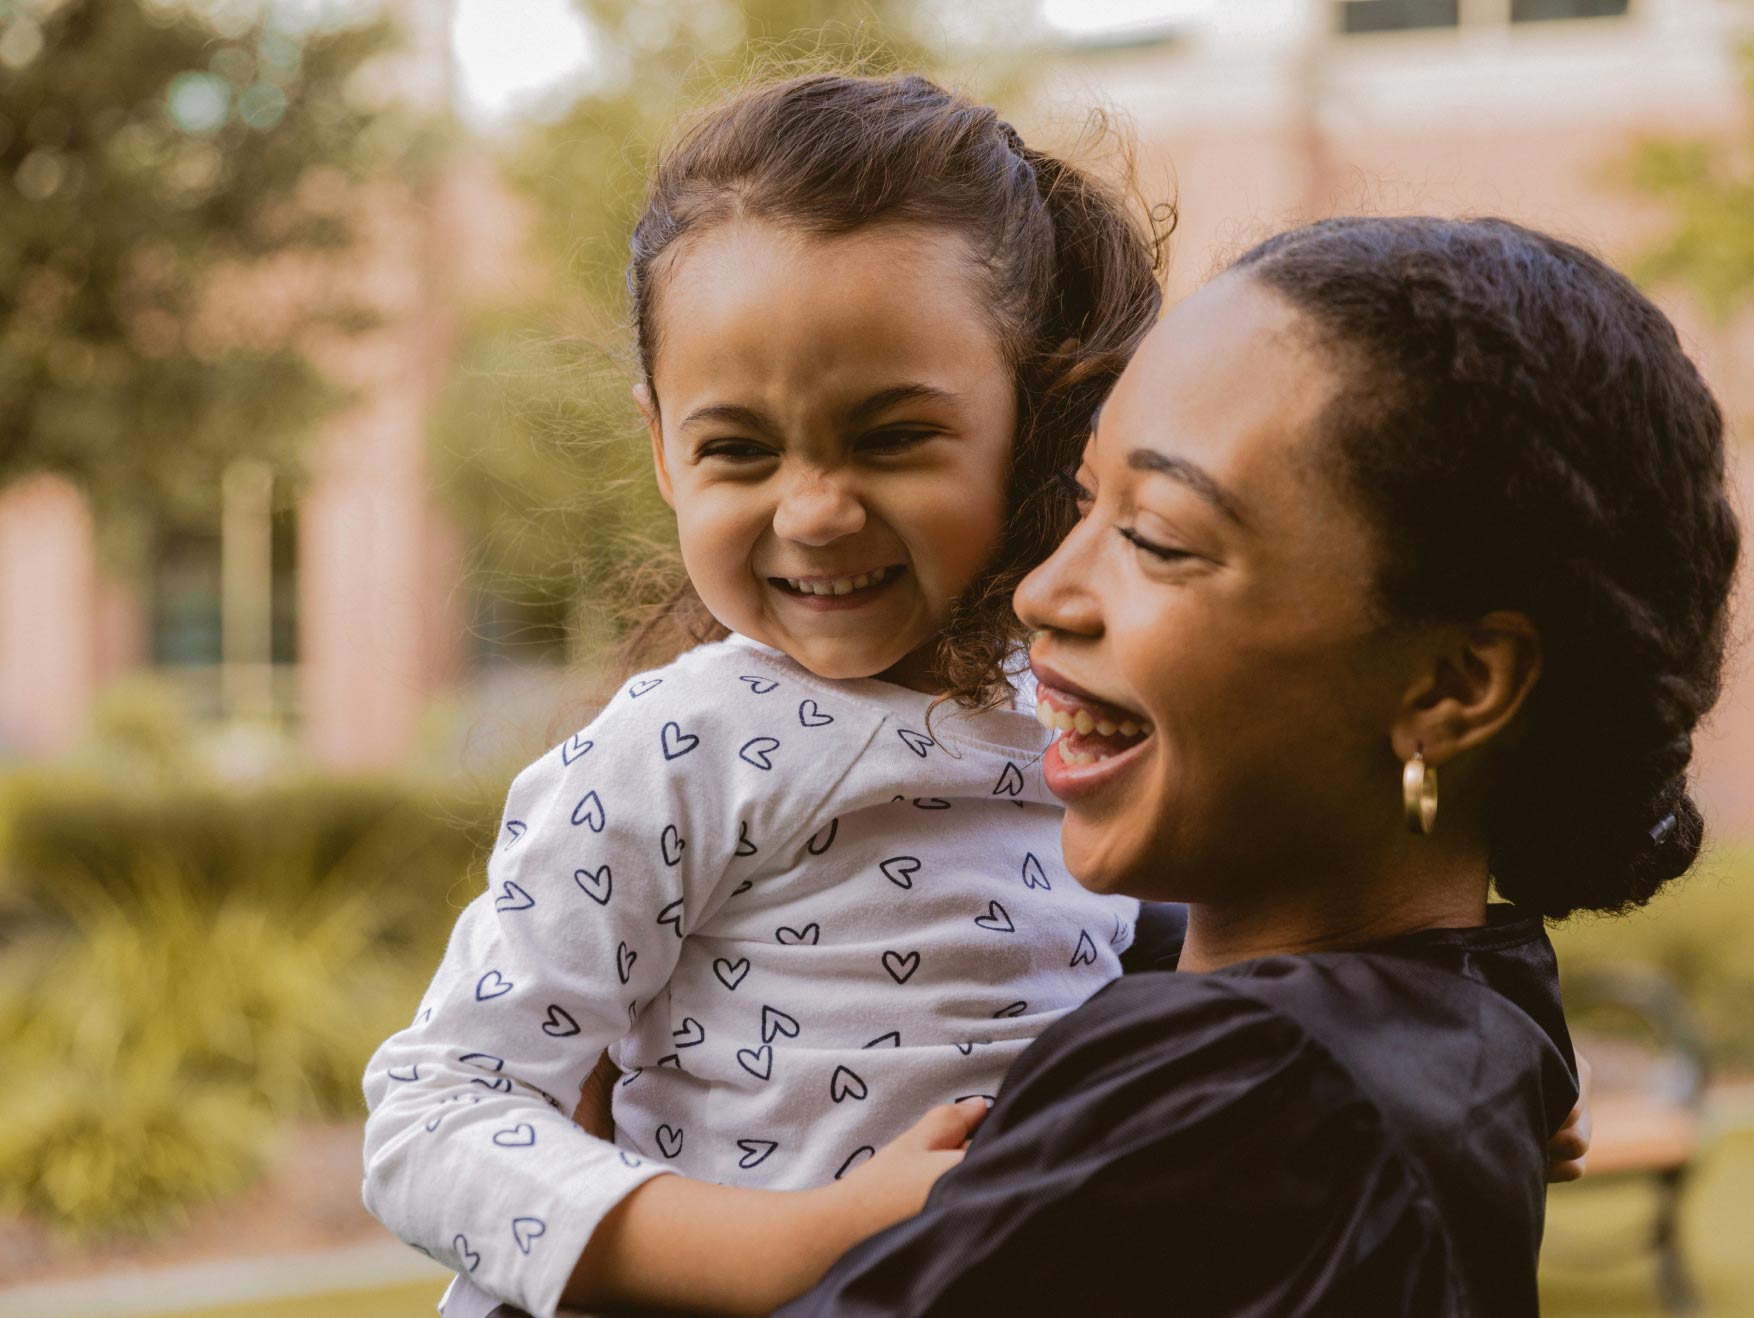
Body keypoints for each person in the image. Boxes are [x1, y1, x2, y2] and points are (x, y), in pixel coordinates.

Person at [779, 215, 1740, 1315]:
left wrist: (590, 1172)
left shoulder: (1252, 1094)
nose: (1042, 590)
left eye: (1158, 537)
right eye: (1086, 503)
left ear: (1451, 687)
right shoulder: (1457, 1028)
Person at [361, 71, 1168, 1318]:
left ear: (1034, 417)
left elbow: (1211, 966)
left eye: (893, 435)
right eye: (738, 447)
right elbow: (433, 1116)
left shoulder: (1085, 711)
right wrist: (806, 1237)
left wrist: (1427, 1068)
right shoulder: (682, 746)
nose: (814, 510)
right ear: (661, 451)